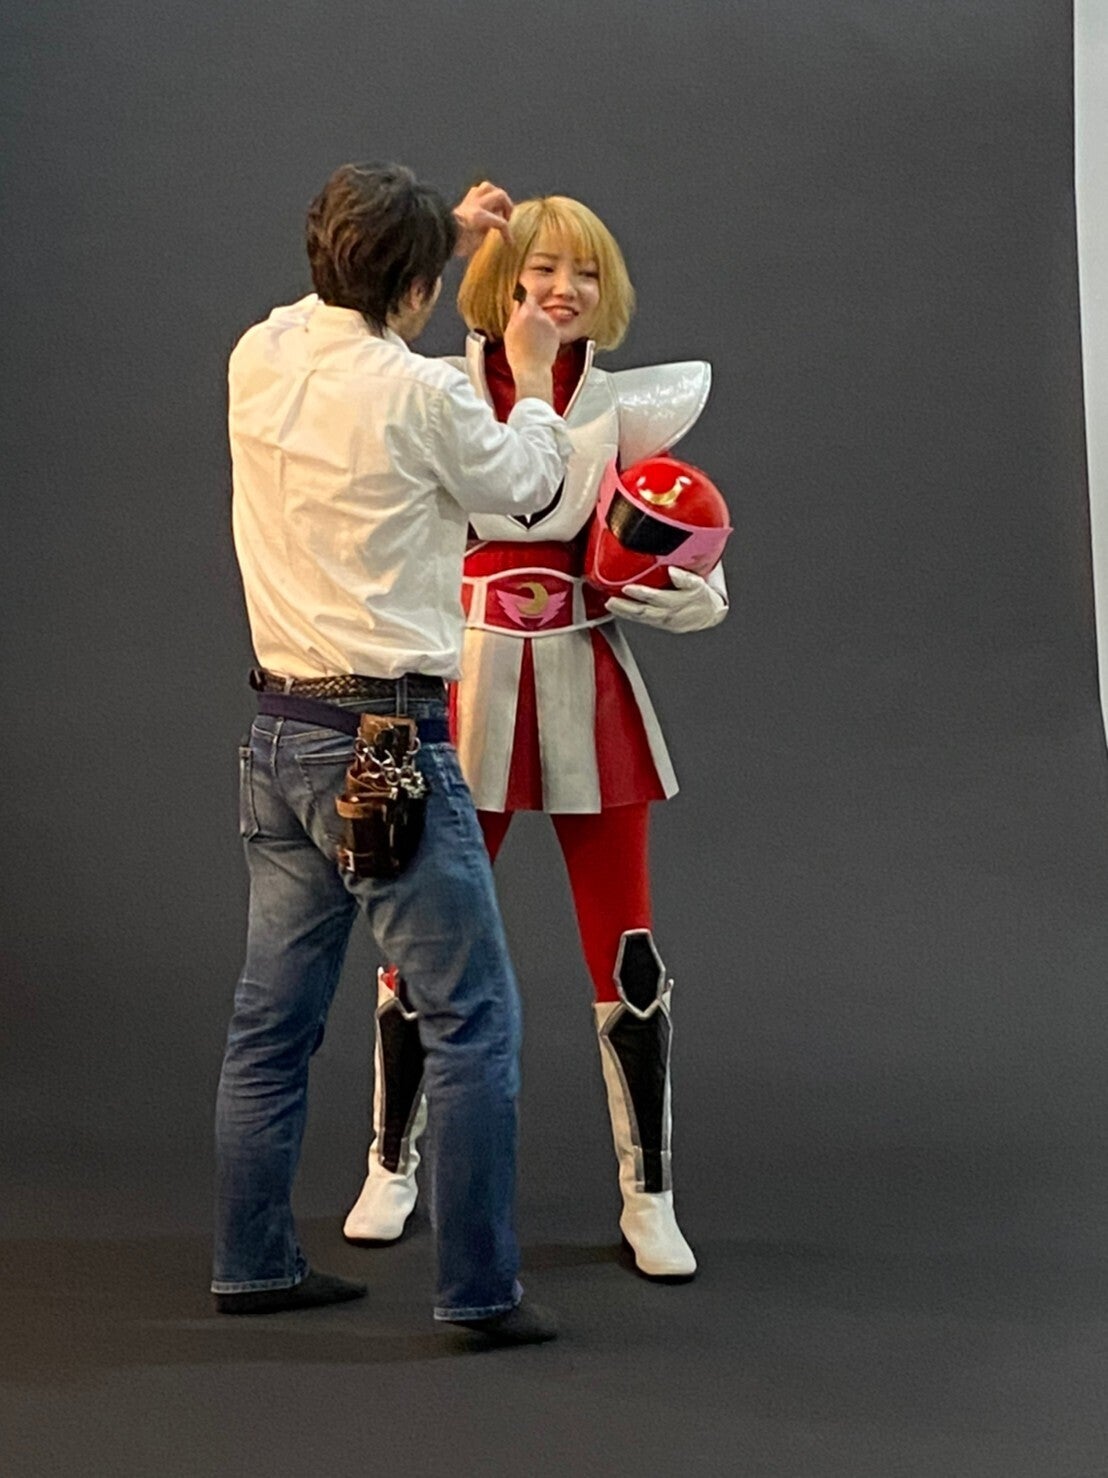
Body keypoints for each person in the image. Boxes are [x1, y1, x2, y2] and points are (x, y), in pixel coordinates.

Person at [213, 163, 574, 1346]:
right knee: (472, 1016)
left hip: (278, 734)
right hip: (385, 741)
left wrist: (436, 235)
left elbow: (341, 293)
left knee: (272, 1022)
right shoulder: (425, 393)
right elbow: (529, 488)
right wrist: (526, 368)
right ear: (417, 290)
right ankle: (479, 1288)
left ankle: (251, 1261)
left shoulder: (260, 353)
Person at [343, 195, 728, 1281]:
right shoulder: (433, 388)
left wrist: (694, 592)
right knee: (419, 938)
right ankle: (389, 1161)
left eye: (585, 273)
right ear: (499, 283)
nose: (563, 290)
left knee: (629, 953)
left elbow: (674, 536)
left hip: (586, 681)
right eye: (541, 270)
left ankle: (649, 1192)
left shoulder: (624, 409)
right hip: (457, 685)